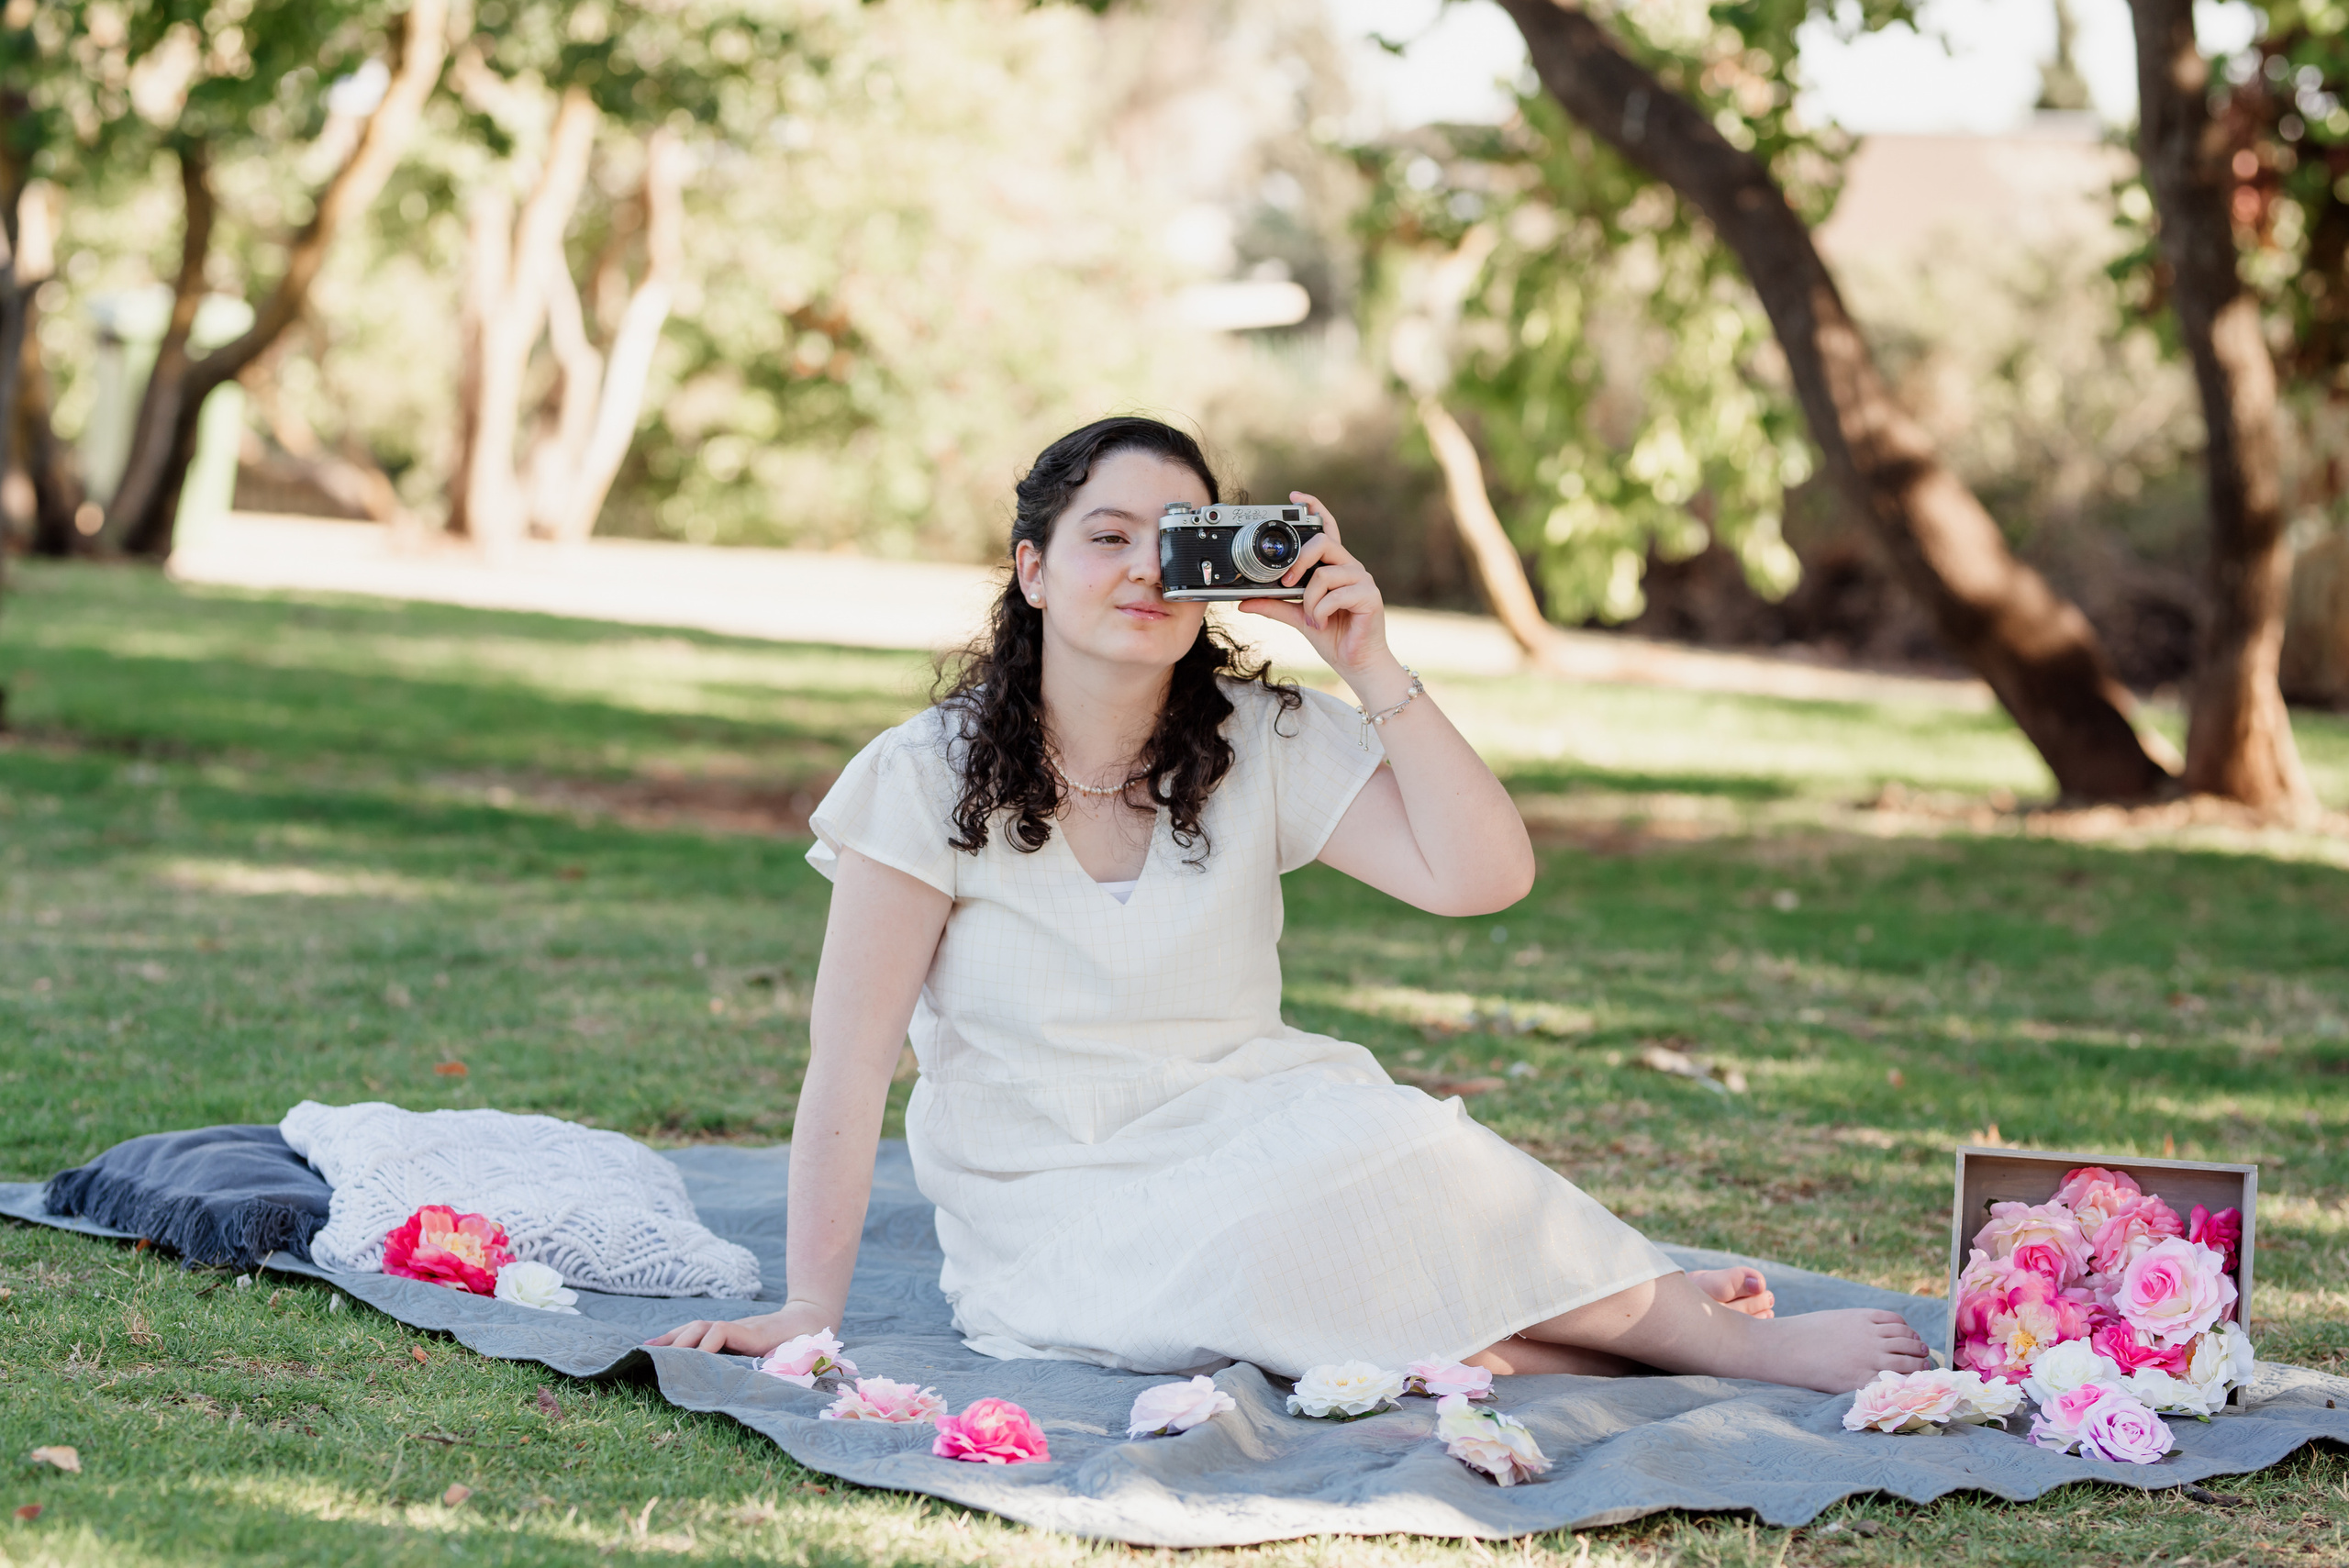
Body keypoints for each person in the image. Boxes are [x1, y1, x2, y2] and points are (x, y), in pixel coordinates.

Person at [651, 417, 1930, 1394]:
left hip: (1267, 1127)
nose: (1145, 568)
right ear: (1032, 570)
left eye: (1180, 538)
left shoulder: (1261, 734)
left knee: (1402, 1152)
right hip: (1060, 1197)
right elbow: (849, 1063)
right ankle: (1660, 1329)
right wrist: (810, 1307)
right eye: (1107, 537)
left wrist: (1362, 657)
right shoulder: (920, 776)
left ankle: (1637, 1321)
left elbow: (1482, 875)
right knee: (1283, 1247)